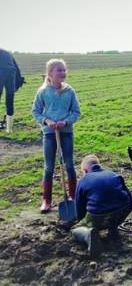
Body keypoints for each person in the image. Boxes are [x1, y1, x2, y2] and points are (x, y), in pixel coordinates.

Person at [32, 59, 80, 213]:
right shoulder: (43, 92)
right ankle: (46, 199)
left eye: (64, 70)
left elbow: (76, 112)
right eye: (59, 70)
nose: (63, 73)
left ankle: (73, 196)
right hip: (50, 134)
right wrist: (47, 121)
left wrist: (65, 122)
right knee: (49, 167)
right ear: (50, 73)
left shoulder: (69, 91)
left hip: (66, 133)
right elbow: (36, 111)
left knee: (69, 165)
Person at [72, 155, 132, 257]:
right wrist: (121, 218)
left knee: (75, 230)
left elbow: (79, 210)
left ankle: (88, 235)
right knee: (114, 213)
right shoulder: (113, 174)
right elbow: (131, 200)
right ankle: (113, 228)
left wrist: (82, 222)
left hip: (99, 214)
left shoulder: (83, 181)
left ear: (85, 170)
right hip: (123, 209)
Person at [0, 49, 25, 133]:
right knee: (10, 100)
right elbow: (16, 67)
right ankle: (9, 129)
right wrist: (19, 81)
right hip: (11, 73)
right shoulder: (7, 53)